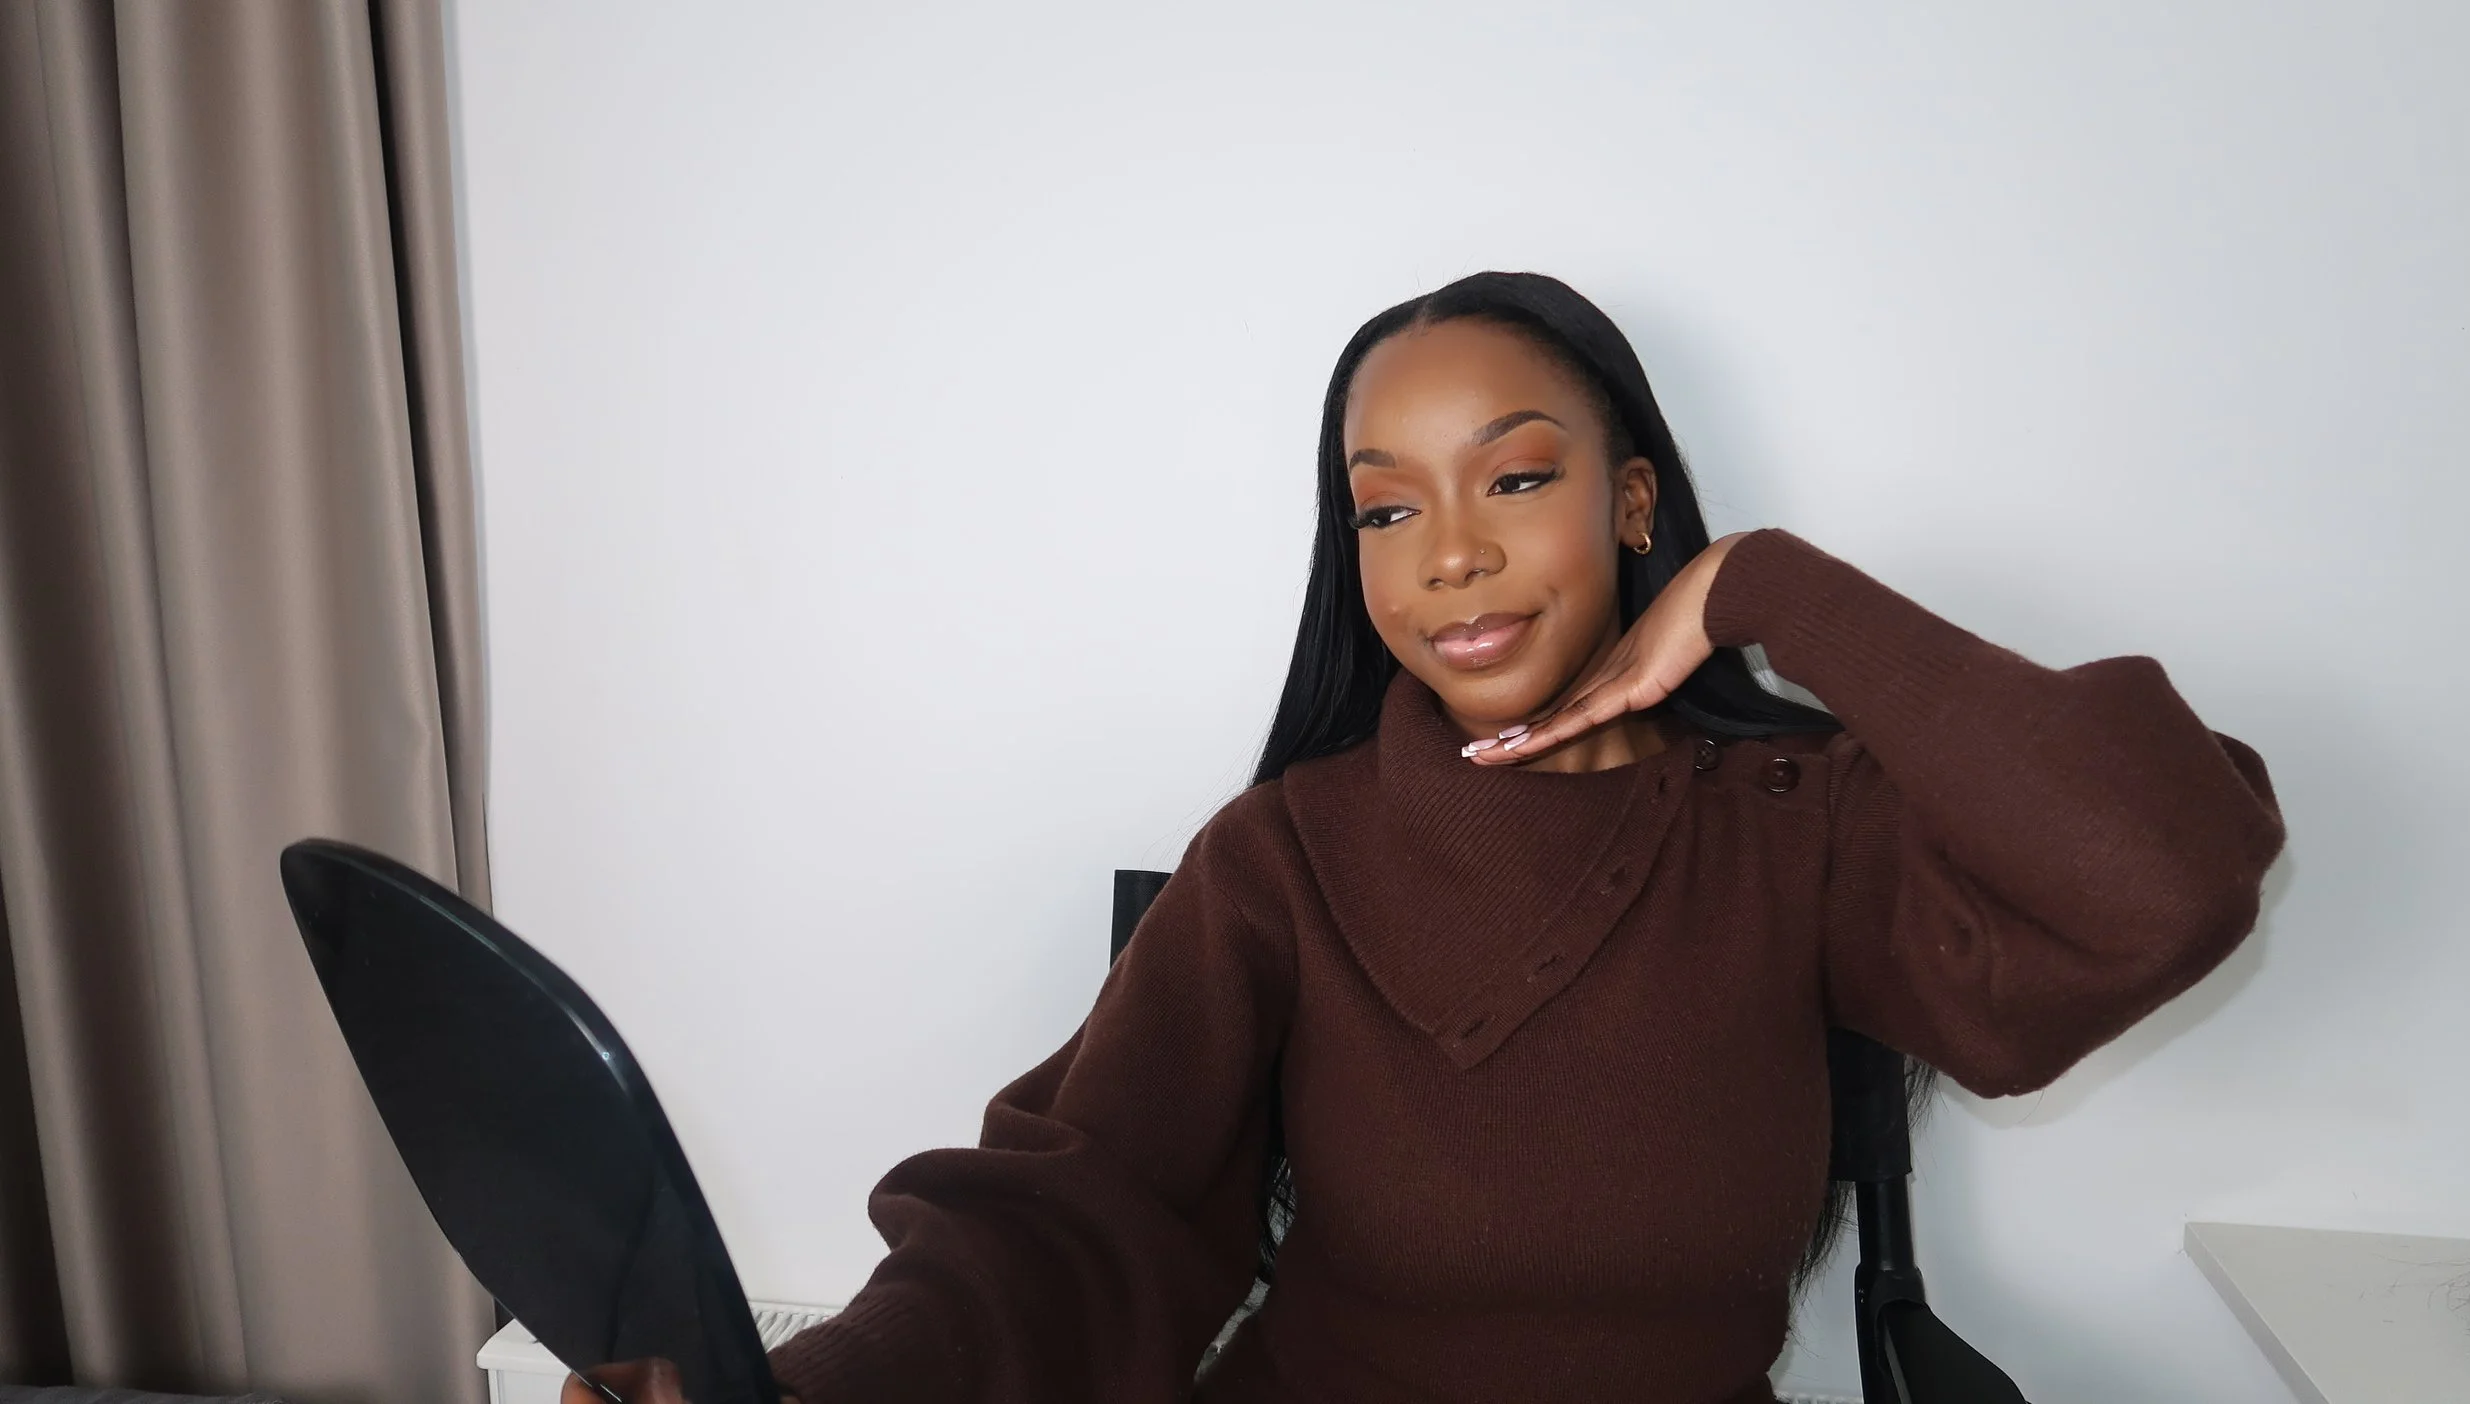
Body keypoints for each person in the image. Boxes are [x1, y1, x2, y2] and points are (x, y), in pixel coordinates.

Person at [565, 271, 2286, 1404]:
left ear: (1634, 501)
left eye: (1514, 479)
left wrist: (1773, 589)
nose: (1445, 554)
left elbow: (2168, 873)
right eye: (1386, 507)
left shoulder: (1795, 826)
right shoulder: (1283, 857)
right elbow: (1076, 1219)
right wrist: (780, 1392)